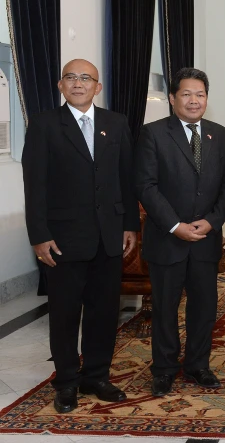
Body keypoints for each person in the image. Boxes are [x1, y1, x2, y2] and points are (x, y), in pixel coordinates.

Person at [21, 59, 139, 413]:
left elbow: (125, 178)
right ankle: (67, 381)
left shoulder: (115, 123)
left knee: (105, 312)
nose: (77, 83)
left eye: (85, 77)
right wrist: (39, 235)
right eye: (70, 77)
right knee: (65, 313)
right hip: (62, 239)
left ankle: (97, 376)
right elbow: (35, 185)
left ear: (97, 87)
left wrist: (130, 224)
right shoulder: (44, 124)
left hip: (109, 236)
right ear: (60, 85)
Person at [134, 68, 225, 397]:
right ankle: (163, 368)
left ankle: (197, 365)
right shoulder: (153, 134)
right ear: (172, 98)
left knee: (204, 307)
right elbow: (146, 186)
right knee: (164, 308)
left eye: (200, 95)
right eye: (187, 94)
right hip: (167, 238)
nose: (194, 101)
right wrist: (175, 225)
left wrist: (213, 220)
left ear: (207, 98)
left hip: (206, 238)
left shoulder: (220, 135)